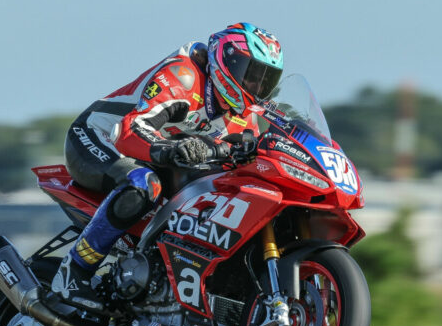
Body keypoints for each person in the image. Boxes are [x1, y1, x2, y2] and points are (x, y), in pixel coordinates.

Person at [51, 22, 284, 311]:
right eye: (251, 75)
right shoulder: (184, 76)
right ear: (228, 61)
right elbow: (130, 129)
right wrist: (171, 148)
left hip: (152, 158)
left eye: (265, 81)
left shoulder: (243, 117)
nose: (256, 87)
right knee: (144, 184)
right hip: (97, 138)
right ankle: (73, 272)